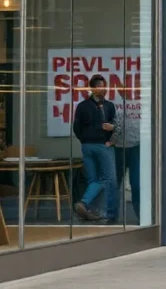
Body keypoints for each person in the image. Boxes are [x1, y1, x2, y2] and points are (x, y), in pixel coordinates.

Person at [73, 75, 118, 223]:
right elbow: (77, 128)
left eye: (104, 86)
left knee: (93, 180)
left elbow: (77, 128)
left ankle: (91, 211)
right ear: (92, 88)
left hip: (89, 145)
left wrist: (85, 140)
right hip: (99, 145)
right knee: (107, 179)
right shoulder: (87, 106)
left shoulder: (107, 106)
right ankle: (85, 203)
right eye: (100, 86)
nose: (103, 89)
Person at [111, 100, 140, 223]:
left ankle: (142, 216)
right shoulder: (112, 102)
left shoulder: (144, 99)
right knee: (114, 183)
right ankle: (112, 216)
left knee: (137, 184)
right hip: (117, 148)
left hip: (136, 146)